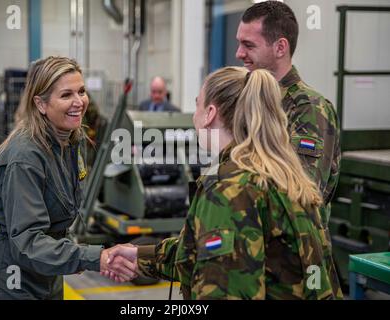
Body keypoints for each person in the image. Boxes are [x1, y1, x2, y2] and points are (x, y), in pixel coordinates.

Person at [103, 67, 344, 300]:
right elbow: (210, 252)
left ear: (209, 114)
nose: (193, 115)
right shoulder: (286, 174)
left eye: (197, 104)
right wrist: (140, 256)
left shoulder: (230, 189)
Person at [0, 56, 135, 300]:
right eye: (66, 95)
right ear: (41, 104)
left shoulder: (70, 141)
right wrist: (94, 258)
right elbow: (28, 243)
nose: (79, 102)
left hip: (46, 273)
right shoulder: (25, 158)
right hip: (9, 280)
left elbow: (55, 223)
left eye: (81, 91)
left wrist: (87, 257)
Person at [235, 1, 340, 226]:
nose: (239, 53)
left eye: (248, 45)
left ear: (280, 48)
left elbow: (301, 194)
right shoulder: (251, 100)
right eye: (239, 44)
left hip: (293, 253)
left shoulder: (309, 108)